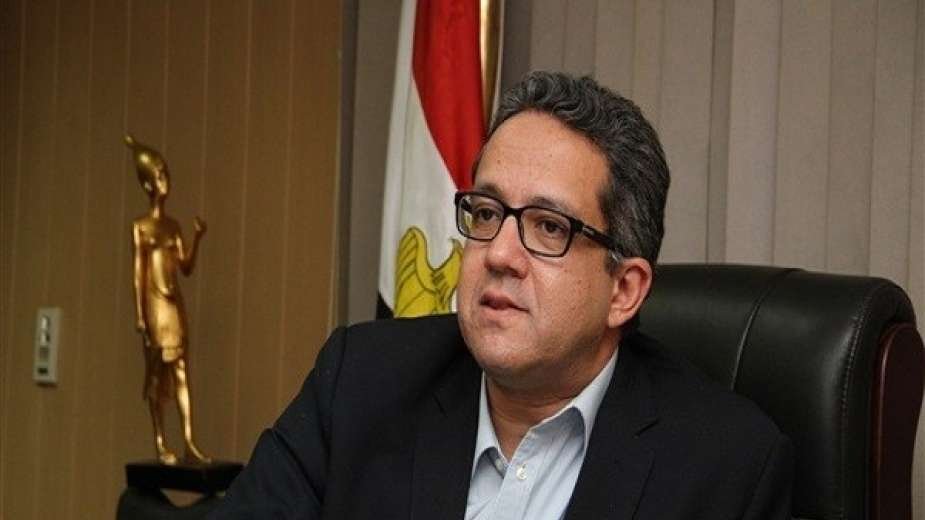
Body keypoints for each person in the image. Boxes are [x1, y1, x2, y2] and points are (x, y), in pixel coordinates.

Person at [209, 71, 793, 519]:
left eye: (549, 227)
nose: (499, 254)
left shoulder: (726, 467)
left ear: (624, 290)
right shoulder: (360, 382)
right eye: (487, 213)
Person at [128, 134, 211, 465]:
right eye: (159, 175)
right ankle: (160, 439)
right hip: (154, 306)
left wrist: (197, 238)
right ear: (148, 185)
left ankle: (189, 440)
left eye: (165, 173)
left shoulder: (173, 226)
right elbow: (139, 274)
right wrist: (140, 315)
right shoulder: (142, 227)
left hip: (173, 304)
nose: (165, 180)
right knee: (156, 375)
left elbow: (186, 266)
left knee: (181, 371)